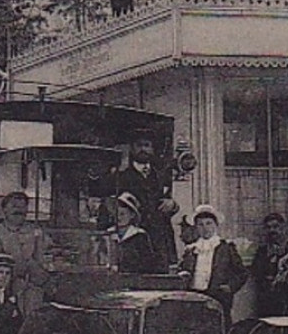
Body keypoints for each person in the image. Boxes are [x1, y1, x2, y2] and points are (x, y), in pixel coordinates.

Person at [95, 134, 179, 266]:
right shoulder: (120, 176)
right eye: (139, 145)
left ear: (152, 150)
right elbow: (107, 204)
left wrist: (172, 204)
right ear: (131, 149)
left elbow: (168, 200)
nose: (143, 149)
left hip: (159, 239)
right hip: (133, 240)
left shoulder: (161, 175)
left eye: (147, 146)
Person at [0, 191, 51, 314]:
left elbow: (43, 259)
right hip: (5, 286)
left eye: (23, 207)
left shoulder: (35, 232)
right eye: (14, 206)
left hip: (33, 285)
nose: (19, 210)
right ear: (4, 210)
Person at [178, 205, 247, 314]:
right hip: (194, 295)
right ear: (196, 227)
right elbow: (183, 269)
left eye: (209, 223)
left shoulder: (226, 247)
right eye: (200, 224)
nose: (205, 228)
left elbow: (242, 273)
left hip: (218, 296)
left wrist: (230, 287)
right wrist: (184, 274)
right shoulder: (191, 249)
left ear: (216, 225)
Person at [251, 212, 288, 317]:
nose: (272, 230)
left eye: (276, 227)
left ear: (284, 228)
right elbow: (256, 273)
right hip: (266, 302)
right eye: (268, 227)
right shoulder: (261, 252)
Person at [109, 192, 161, 275]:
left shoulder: (140, 236)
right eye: (116, 214)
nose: (119, 217)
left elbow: (148, 264)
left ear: (132, 215)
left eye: (123, 214)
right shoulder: (109, 234)